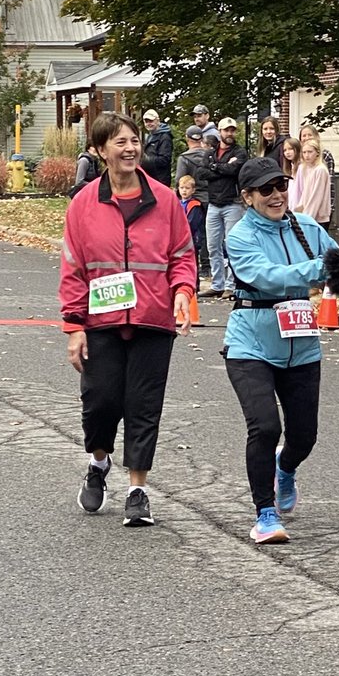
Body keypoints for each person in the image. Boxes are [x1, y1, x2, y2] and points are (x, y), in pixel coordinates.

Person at [224, 156, 339, 545]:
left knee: (304, 437)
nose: (277, 195)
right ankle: (265, 514)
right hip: (251, 342)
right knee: (265, 426)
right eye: (266, 190)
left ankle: (286, 468)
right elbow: (265, 277)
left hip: (300, 347)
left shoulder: (307, 227)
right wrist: (318, 270)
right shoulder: (240, 236)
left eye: (281, 185)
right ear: (247, 197)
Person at [59, 113, 196, 527]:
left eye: (134, 140)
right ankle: (99, 462)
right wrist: (74, 326)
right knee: (100, 402)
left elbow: (182, 256)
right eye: (119, 142)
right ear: (101, 151)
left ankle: (138, 490)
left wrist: (183, 293)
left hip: (153, 319)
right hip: (101, 322)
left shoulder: (165, 199)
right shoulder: (84, 204)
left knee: (143, 405)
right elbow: (73, 268)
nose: (130, 148)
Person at [202, 116, 248, 299]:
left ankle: (231, 285)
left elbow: (235, 171)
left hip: (233, 204)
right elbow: (201, 172)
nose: (230, 133)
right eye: (226, 130)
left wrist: (216, 169)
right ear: (219, 132)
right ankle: (217, 284)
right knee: (213, 246)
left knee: (232, 245)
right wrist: (222, 167)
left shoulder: (240, 152)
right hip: (213, 203)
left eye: (232, 130)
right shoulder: (210, 152)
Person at [175, 126, 213, 276]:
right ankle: (207, 266)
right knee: (208, 233)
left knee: (193, 232)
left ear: (187, 138)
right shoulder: (209, 155)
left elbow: (180, 180)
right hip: (211, 198)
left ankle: (195, 266)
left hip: (193, 202)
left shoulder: (184, 158)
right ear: (201, 139)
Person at [294, 139, 332, 229]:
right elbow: (304, 194)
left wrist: (307, 218)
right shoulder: (305, 168)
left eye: (310, 152)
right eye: (304, 152)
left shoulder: (320, 170)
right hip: (306, 214)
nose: (307, 155)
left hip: (318, 217)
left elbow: (317, 196)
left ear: (317, 153)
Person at [177, 174, 205, 288]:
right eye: (182, 188)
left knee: (192, 261)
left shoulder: (195, 205)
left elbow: (192, 222)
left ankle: (195, 285)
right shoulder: (177, 202)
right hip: (179, 237)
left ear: (193, 190)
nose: (184, 191)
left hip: (192, 238)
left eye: (187, 188)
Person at [141, 108, 174, 185]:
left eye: (151, 121)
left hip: (160, 180)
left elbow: (165, 160)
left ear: (158, 121)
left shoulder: (165, 137)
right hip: (150, 178)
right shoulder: (150, 136)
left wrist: (145, 160)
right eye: (146, 121)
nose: (149, 123)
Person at [281, 136, 302, 208]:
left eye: (290, 149)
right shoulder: (291, 167)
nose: (287, 152)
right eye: (285, 150)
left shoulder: (301, 167)